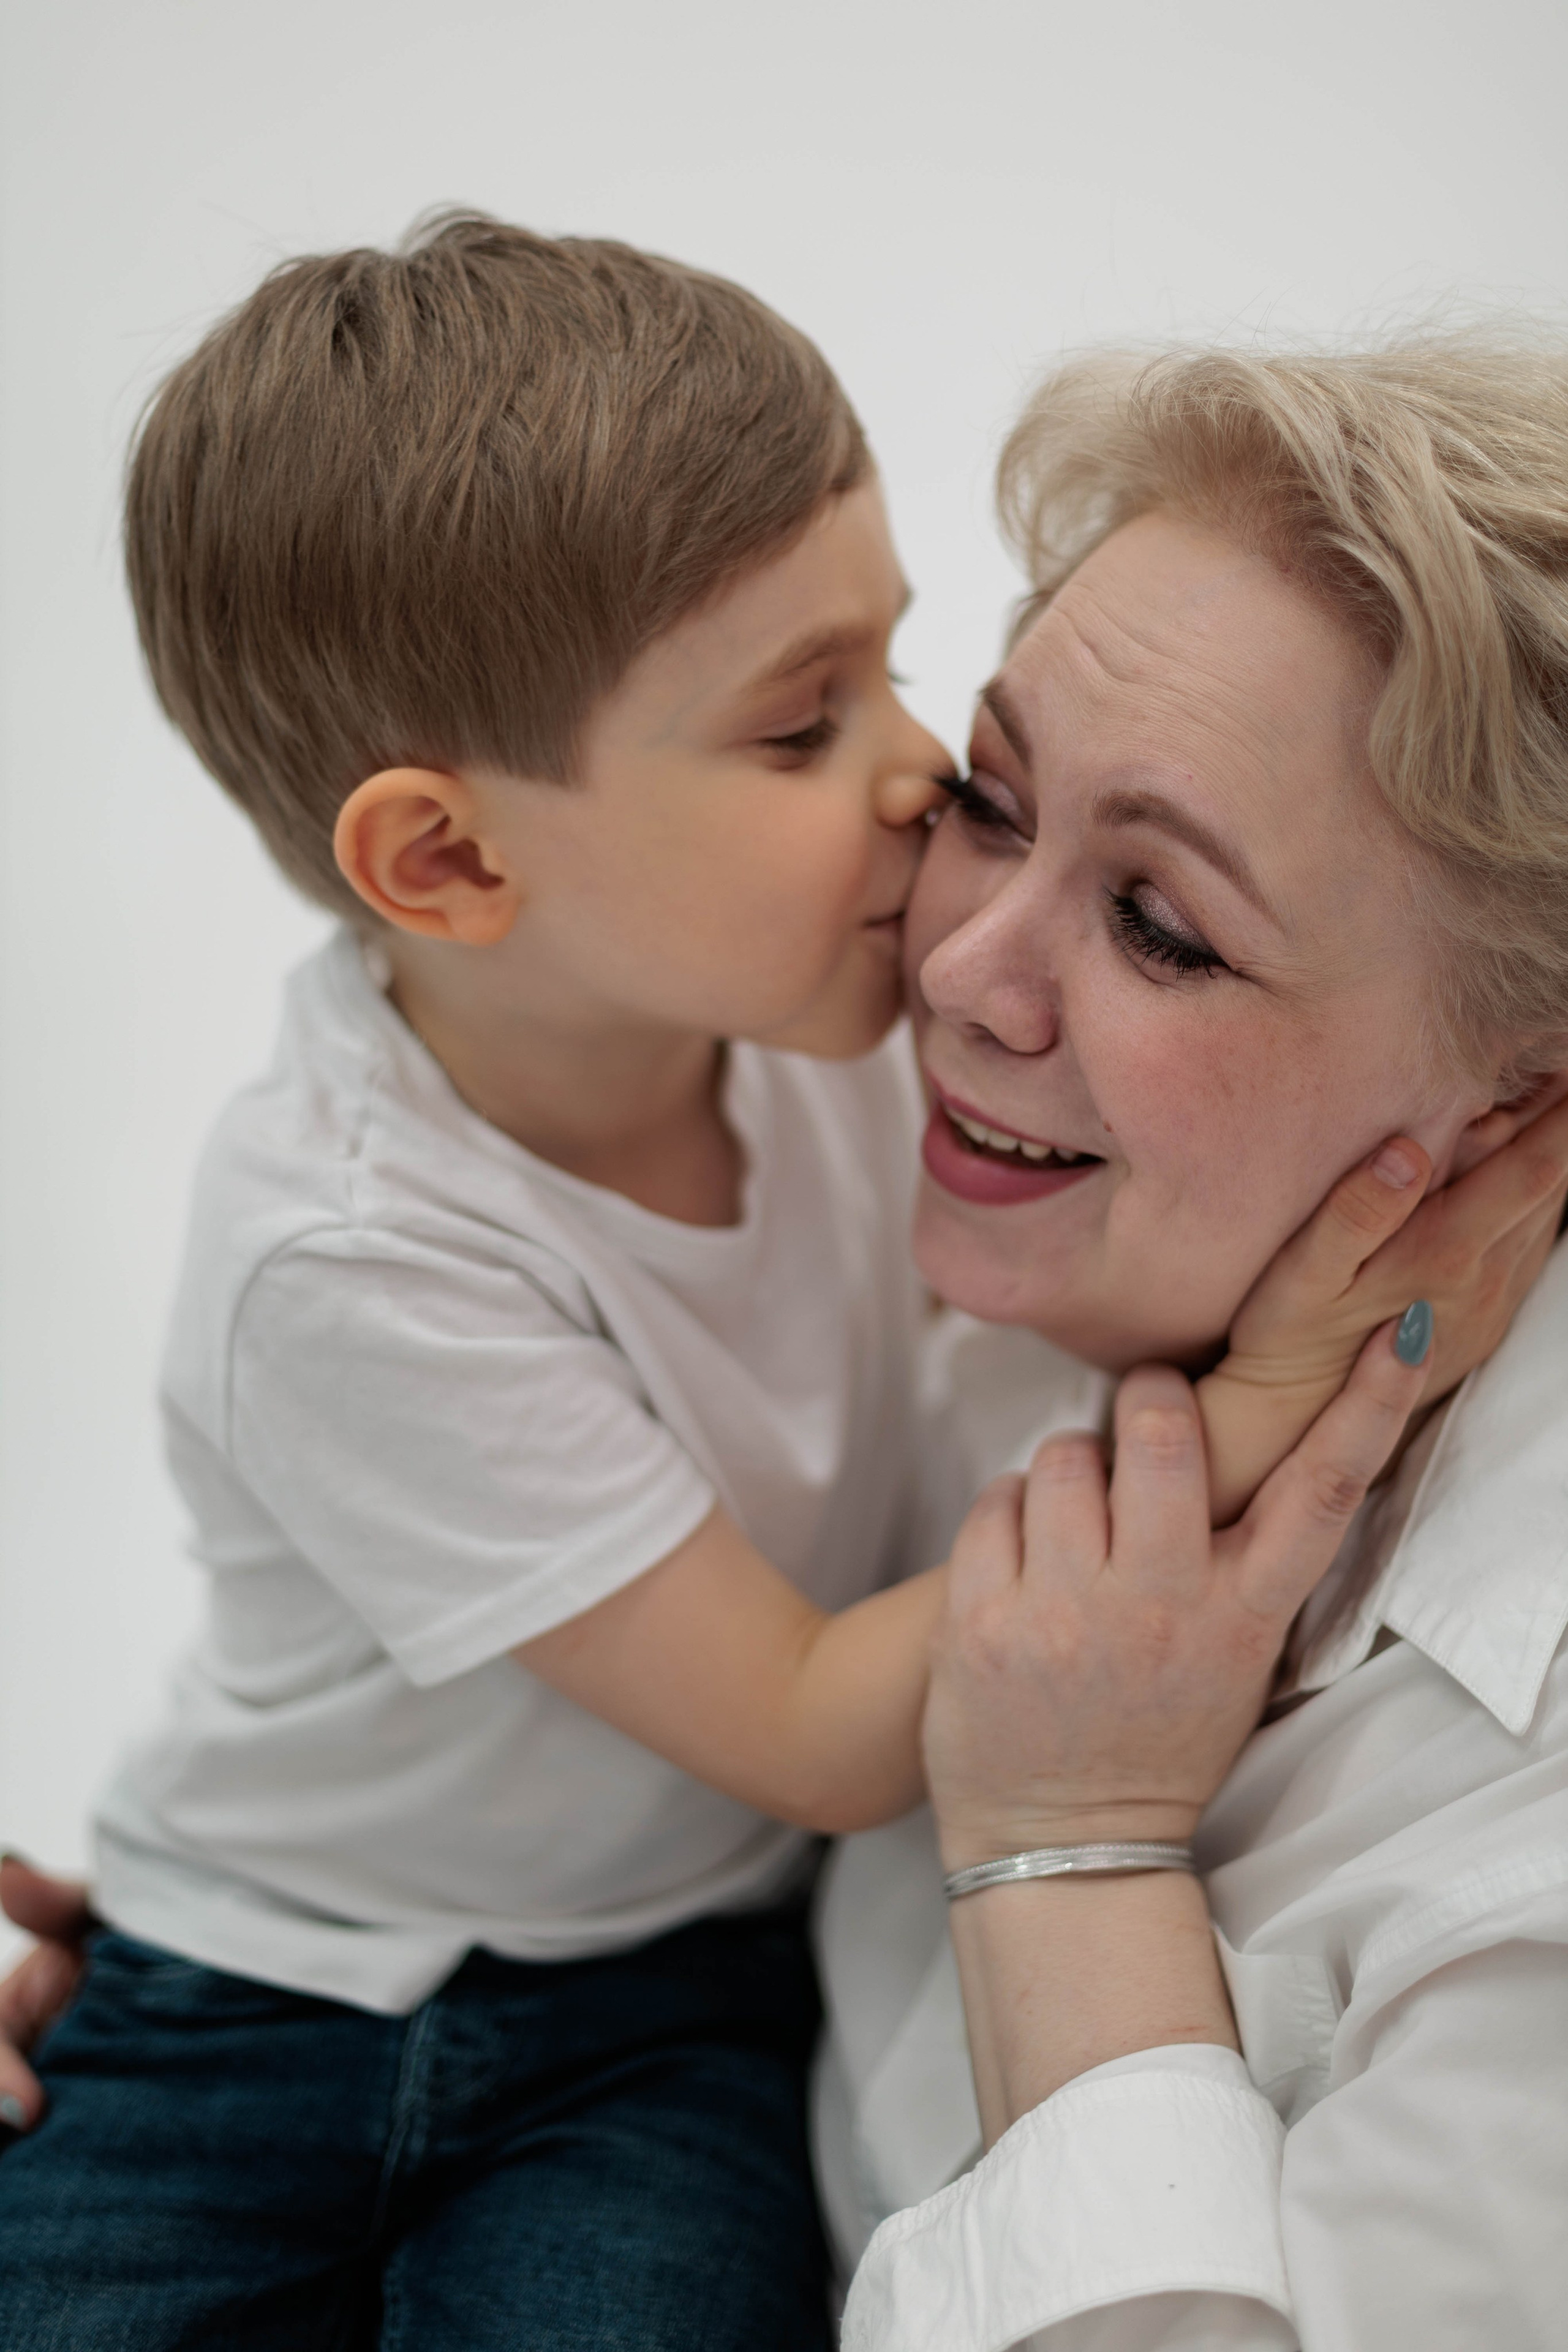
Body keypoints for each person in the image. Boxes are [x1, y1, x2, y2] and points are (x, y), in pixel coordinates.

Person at [2, 212, 1496, 2347]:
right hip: (250, 1987)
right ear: (448, 865)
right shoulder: (343, 1252)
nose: (916, 780)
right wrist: (1253, 1416)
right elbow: (802, 1722)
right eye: (803, 726)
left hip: (668, 2005)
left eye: (897, 665)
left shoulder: (840, 1013)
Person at [818, 339, 1568, 2350]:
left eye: (1159, 925)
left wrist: (1070, 1857)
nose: (964, 978)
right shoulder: (1009, 1233)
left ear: (1518, 1107)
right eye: (990, 798)